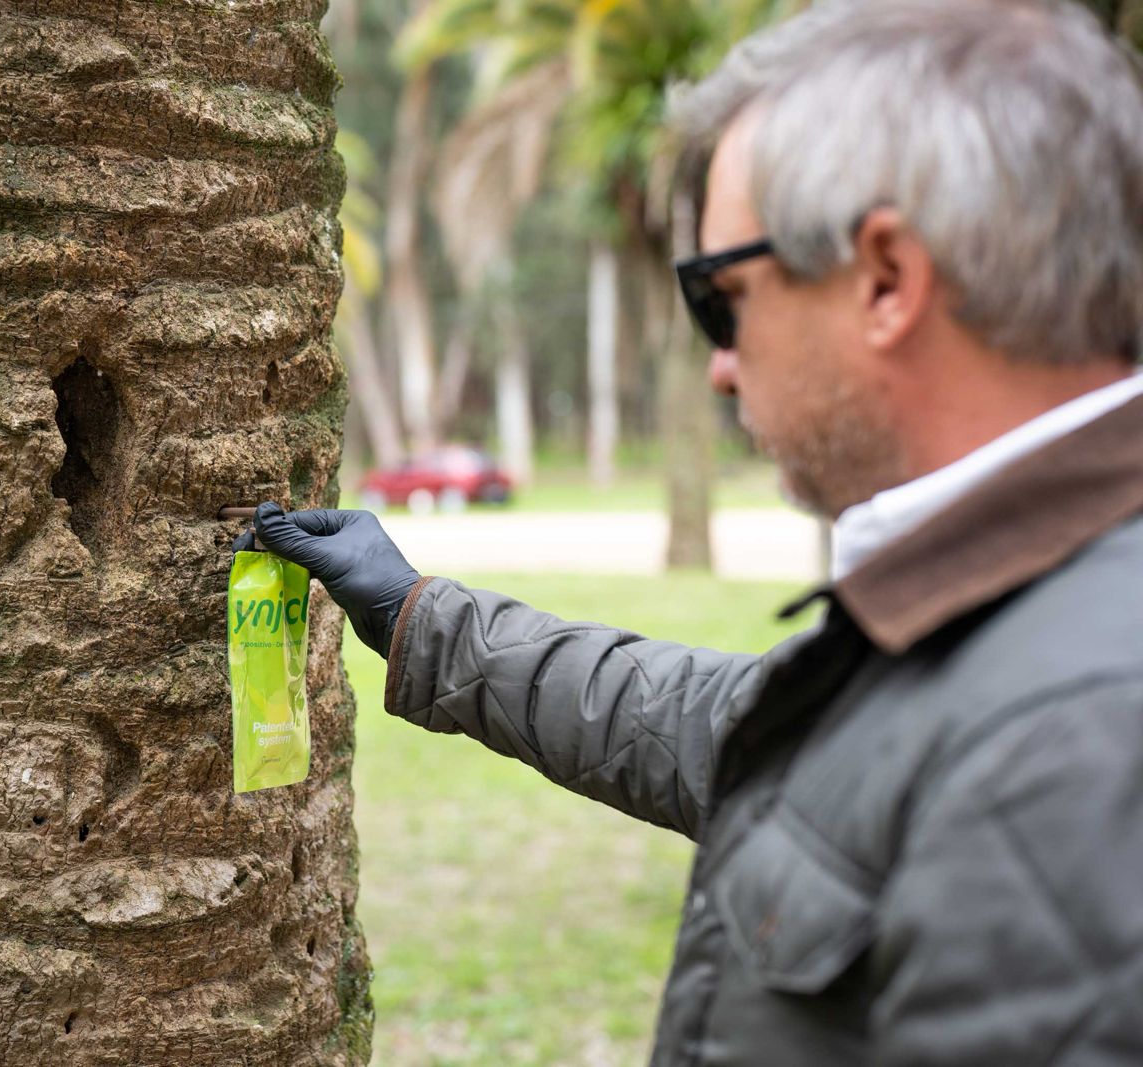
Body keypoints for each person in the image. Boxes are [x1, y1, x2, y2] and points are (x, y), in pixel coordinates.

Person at [233, 0, 1143, 1061]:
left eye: (722, 297)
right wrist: (418, 617)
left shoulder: (1075, 742)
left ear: (886, 280)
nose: (719, 364)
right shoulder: (1018, 604)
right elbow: (739, 729)